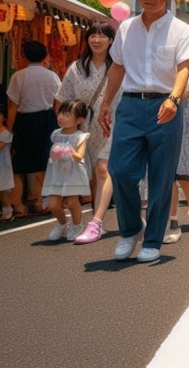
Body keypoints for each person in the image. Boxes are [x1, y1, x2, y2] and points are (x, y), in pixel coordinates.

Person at [98, 0, 189, 263]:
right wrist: (106, 102)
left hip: (166, 105)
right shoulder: (126, 28)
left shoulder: (180, 29)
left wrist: (174, 98)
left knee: (161, 176)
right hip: (129, 105)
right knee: (119, 170)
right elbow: (117, 67)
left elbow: (184, 68)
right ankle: (131, 229)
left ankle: (153, 239)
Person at [54, 22, 120, 244]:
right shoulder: (76, 68)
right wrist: (66, 128)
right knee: (91, 175)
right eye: (93, 35)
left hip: (113, 124)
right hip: (84, 129)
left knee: (103, 169)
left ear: (111, 40)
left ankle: (96, 221)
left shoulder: (120, 66)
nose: (97, 39)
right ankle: (95, 220)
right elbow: (63, 99)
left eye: (103, 35)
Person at [7, 40, 61, 216]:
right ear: (45, 56)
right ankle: (42, 201)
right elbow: (58, 104)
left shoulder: (18, 76)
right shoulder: (51, 76)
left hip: (25, 121)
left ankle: (18, 205)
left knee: (19, 164)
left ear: (24, 56)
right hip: (47, 119)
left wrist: (9, 128)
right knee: (44, 161)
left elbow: (13, 106)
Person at [42, 100, 91, 241]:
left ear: (79, 120)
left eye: (67, 114)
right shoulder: (55, 134)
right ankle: (62, 224)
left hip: (73, 173)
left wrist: (69, 149)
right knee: (53, 204)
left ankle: (77, 225)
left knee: (71, 202)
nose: (61, 117)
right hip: (56, 172)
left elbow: (79, 156)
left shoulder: (81, 136)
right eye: (61, 113)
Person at [164, 69, 189, 245]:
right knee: (169, 174)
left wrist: (171, 94)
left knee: (180, 173)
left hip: (181, 123)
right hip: (156, 122)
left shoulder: (183, 66)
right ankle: (172, 220)